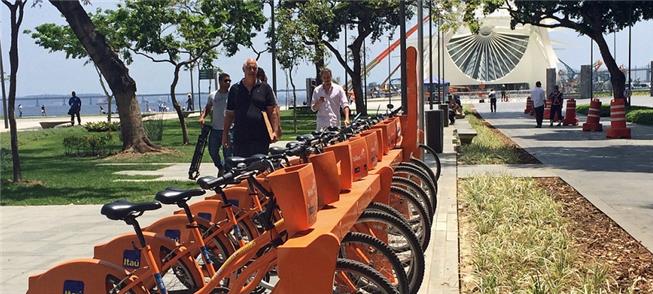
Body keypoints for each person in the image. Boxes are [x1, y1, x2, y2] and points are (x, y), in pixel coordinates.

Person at [222, 58, 279, 157]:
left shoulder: (265, 88)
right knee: (242, 169)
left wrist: (274, 131)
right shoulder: (235, 89)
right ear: (244, 70)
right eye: (249, 68)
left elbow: (272, 111)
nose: (252, 71)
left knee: (260, 167)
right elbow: (230, 114)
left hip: (260, 138)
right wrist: (225, 134)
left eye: (254, 68)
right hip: (241, 138)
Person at [200, 73, 233, 174]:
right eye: (225, 80)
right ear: (220, 82)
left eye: (229, 81)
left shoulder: (232, 95)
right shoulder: (213, 95)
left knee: (228, 154)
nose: (228, 83)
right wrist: (202, 117)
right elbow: (207, 108)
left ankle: (227, 174)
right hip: (215, 129)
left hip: (229, 130)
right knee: (213, 151)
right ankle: (220, 167)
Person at [257, 68, 282, 138]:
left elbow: (275, 108)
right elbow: (276, 109)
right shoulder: (267, 89)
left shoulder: (266, 89)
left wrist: (276, 127)